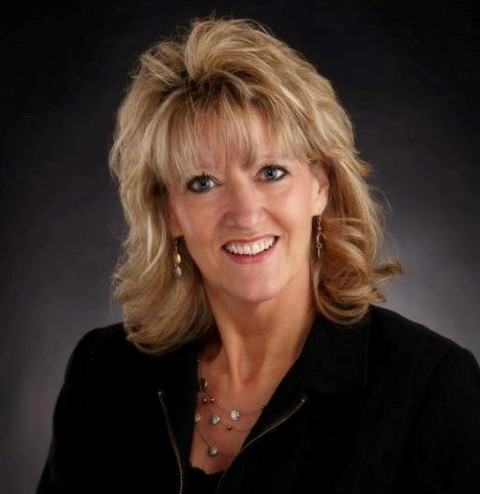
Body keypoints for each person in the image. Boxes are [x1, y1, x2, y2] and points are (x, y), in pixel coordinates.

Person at [36, 15, 480, 494]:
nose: (245, 215)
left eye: (271, 173)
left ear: (321, 185)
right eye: (203, 183)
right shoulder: (102, 372)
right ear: (169, 214)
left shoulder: (429, 385)